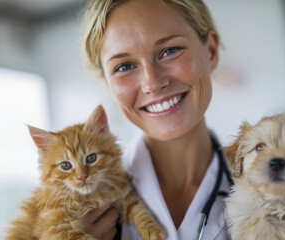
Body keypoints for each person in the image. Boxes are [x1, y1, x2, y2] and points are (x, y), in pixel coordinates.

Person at [81, 0, 231, 239]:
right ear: (107, 83)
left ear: (211, 50)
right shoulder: (80, 216)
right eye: (124, 66)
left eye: (170, 51)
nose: (152, 83)